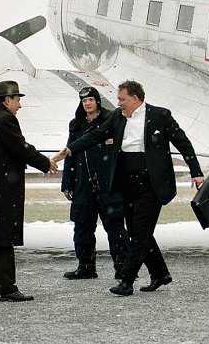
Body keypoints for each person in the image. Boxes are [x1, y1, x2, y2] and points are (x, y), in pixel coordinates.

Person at [52, 80, 204, 296]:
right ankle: (160, 273)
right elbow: (95, 135)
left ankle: (126, 280)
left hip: (152, 184)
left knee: (140, 234)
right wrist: (68, 150)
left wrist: (196, 172)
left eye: (122, 99)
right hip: (127, 183)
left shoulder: (160, 116)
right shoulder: (117, 117)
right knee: (136, 231)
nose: (118, 103)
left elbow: (183, 142)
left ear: (135, 98)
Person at [0, 80, 58, 302]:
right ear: (7, 100)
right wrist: (46, 163)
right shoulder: (5, 119)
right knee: (1, 239)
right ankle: (6, 288)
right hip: (0, 192)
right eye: (18, 100)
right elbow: (21, 148)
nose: (20, 105)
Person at [61, 86, 130, 280]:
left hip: (108, 184)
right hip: (83, 184)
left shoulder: (111, 121)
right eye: (84, 101)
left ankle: (123, 267)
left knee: (115, 226)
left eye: (91, 99)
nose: (88, 104)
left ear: (97, 101)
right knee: (82, 227)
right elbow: (70, 156)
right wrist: (67, 183)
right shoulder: (76, 125)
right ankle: (85, 266)